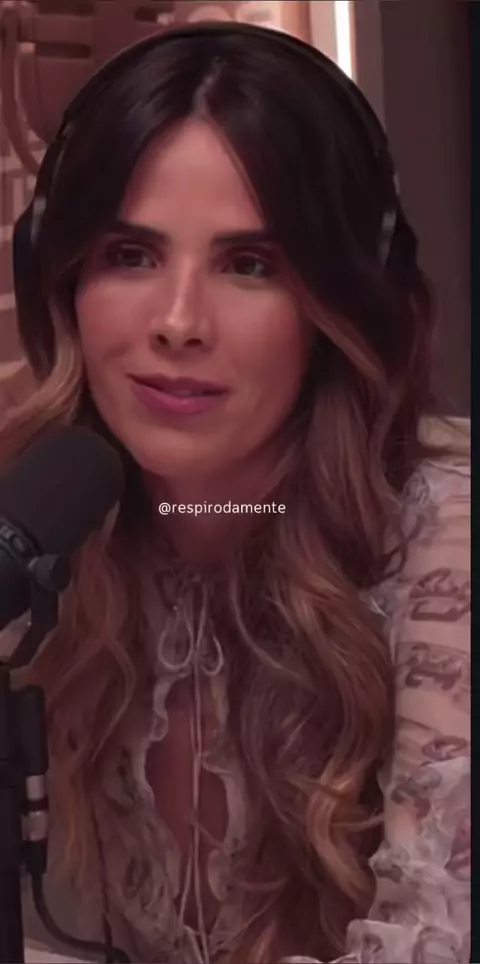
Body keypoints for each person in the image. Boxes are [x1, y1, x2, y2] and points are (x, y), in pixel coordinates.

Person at [4, 21, 470, 964]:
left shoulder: (446, 543)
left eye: (249, 265)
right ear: (66, 279)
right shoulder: (53, 540)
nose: (179, 322)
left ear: (336, 303)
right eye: (131, 254)